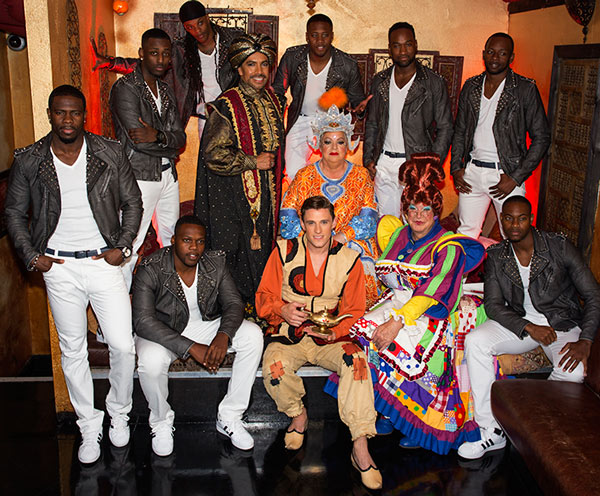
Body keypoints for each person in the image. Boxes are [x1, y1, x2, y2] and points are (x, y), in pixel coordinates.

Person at [5, 85, 142, 464]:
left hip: (104, 263)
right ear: (50, 114)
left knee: (122, 345)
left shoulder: (109, 152)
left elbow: (133, 201)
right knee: (73, 350)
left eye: (75, 113)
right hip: (59, 268)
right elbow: (14, 213)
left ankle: (118, 413)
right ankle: (88, 424)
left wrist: (124, 246)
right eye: (60, 113)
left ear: (85, 116)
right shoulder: (30, 159)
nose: (68, 120)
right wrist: (33, 257)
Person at [346, 154, 486, 455]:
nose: (419, 216)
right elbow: (385, 231)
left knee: (417, 347)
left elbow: (434, 289)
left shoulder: (450, 246)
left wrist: (396, 322)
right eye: (412, 208)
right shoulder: (397, 233)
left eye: (426, 209)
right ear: (404, 210)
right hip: (400, 303)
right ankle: (389, 411)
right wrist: (390, 317)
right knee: (368, 333)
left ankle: (416, 422)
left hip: (433, 309)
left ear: (437, 212)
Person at [458, 196, 600, 459]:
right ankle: (491, 430)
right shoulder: (497, 255)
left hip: (561, 322)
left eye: (521, 218)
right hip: (521, 323)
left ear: (531, 219)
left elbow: (593, 295)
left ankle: (531, 414)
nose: (514, 225)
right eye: (508, 218)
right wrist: (527, 326)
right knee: (475, 341)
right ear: (501, 221)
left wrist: (586, 340)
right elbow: (493, 305)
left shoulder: (558, 247)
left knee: (574, 373)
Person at [256, 196, 382, 491]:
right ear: (301, 224)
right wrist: (281, 309)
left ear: (334, 223)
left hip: (331, 336)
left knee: (358, 362)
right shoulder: (284, 251)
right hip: (290, 334)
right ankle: (298, 416)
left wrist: (336, 333)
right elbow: (263, 298)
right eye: (310, 223)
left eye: (324, 222)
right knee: (274, 366)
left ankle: (360, 446)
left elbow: (355, 310)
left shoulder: (349, 259)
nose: (317, 231)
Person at [132, 215, 263, 455]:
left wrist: (223, 335)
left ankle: (230, 416)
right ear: (173, 241)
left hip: (205, 325)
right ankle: (160, 422)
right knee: (150, 362)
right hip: (164, 331)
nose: (195, 248)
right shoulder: (151, 267)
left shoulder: (215, 263)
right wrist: (191, 346)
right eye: (187, 240)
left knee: (253, 335)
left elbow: (234, 303)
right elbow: (142, 321)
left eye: (201, 242)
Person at [194, 33, 285, 305]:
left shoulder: (272, 100)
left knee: (260, 253)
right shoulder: (225, 106)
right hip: (230, 199)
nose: (259, 72)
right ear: (239, 69)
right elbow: (213, 154)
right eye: (251, 65)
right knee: (234, 254)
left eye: (264, 64)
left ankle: (261, 309)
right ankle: (233, 315)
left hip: (265, 197)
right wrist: (252, 161)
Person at [451, 33, 550, 239]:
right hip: (473, 173)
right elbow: (460, 130)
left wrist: (515, 177)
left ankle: (513, 273)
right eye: (491, 52)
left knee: (515, 236)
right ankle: (462, 273)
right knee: (465, 235)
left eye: (502, 53)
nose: (495, 58)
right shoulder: (471, 86)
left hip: (506, 175)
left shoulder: (524, 89)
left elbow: (542, 138)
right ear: (483, 54)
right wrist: (456, 168)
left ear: (511, 58)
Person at [279, 104, 379, 306]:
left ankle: (356, 317)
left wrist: (341, 238)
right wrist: (314, 238)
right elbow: (287, 217)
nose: (334, 148)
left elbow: (369, 221)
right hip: (309, 239)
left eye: (340, 142)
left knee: (360, 260)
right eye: (328, 141)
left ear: (348, 145)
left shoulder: (361, 176)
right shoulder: (304, 175)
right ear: (319, 144)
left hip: (350, 241)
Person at [110, 28, 186, 288]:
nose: (161, 60)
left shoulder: (165, 90)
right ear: (142, 54)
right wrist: (169, 142)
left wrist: (160, 137)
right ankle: (114, 322)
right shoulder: (125, 89)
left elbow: (181, 139)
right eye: (154, 53)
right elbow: (136, 142)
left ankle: (169, 304)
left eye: (166, 54)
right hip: (139, 177)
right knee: (129, 246)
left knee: (171, 242)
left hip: (168, 176)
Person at [93, 1, 242, 134]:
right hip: (206, 114)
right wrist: (111, 62)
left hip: (236, 110)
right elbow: (147, 64)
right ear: (185, 28)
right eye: (190, 27)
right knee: (211, 161)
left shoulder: (233, 41)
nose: (197, 30)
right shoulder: (182, 51)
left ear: (207, 18)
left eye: (200, 23)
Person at [363, 22, 453, 218]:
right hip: (384, 163)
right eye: (396, 45)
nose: (402, 50)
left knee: (414, 223)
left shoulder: (433, 82)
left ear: (416, 45)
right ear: (389, 49)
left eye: (408, 44)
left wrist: (432, 165)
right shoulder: (380, 81)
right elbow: (372, 123)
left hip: (416, 163)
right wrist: (369, 158)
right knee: (386, 225)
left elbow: (445, 127)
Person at [273, 14, 369, 181]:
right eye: (314, 35)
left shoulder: (347, 64)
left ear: (331, 35)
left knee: (332, 174)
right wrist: (275, 118)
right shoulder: (293, 57)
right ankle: (300, 205)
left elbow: (357, 99)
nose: (319, 40)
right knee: (293, 173)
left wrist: (360, 109)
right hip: (300, 121)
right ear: (307, 36)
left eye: (324, 35)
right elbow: (278, 90)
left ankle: (328, 205)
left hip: (331, 123)